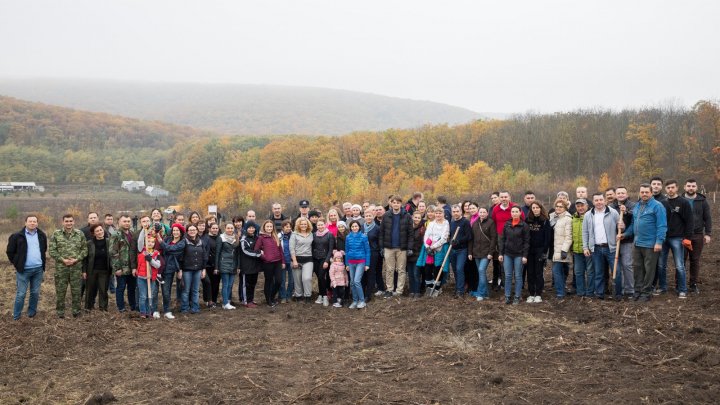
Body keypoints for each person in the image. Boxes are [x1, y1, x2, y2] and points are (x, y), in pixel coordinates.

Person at [619, 184, 667, 302]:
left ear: (651, 193)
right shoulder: (637, 206)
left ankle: (646, 292)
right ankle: (638, 291)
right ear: (639, 193)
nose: (644, 194)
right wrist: (625, 234)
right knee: (638, 268)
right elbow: (633, 225)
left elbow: (662, 225)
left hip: (650, 244)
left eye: (646, 192)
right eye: (642, 192)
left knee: (649, 269)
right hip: (637, 243)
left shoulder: (657, 206)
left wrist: (659, 242)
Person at [654, 180, 693, 298]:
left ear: (677, 188)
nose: (670, 189)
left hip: (678, 237)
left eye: (672, 187)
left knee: (679, 265)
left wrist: (687, 238)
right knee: (661, 264)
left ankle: (682, 289)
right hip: (664, 238)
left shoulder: (684, 202)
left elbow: (689, 221)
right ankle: (662, 287)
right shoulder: (662, 203)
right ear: (665, 189)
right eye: (668, 188)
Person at [7, 215, 47, 320]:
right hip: (23, 270)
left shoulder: (42, 235)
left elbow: (44, 249)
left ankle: (31, 312)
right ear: (25, 223)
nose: (32, 223)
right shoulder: (16, 236)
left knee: (35, 292)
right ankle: (16, 315)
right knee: (21, 294)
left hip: (38, 269)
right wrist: (17, 263)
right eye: (30, 221)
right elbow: (10, 252)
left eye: (34, 221)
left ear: (37, 223)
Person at [582, 193, 621, 300]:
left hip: (611, 247)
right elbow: (585, 232)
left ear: (604, 201)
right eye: (596, 200)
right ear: (593, 202)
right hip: (596, 248)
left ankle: (617, 294)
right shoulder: (588, 215)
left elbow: (620, 226)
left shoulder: (613, 213)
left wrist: (622, 227)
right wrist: (585, 247)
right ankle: (599, 293)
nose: (599, 202)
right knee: (599, 272)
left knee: (616, 271)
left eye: (600, 200)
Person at [49, 214, 88, 318]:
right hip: (61, 269)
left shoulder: (80, 234)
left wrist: (77, 259)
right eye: (66, 221)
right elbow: (52, 251)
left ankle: (76, 311)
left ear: (74, 222)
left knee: (76, 291)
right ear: (63, 222)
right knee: (61, 291)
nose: (69, 223)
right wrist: (63, 260)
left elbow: (85, 250)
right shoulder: (56, 234)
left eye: (71, 221)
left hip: (76, 268)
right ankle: (60, 312)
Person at [379, 195, 414, 298]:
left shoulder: (406, 216)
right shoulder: (386, 215)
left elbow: (410, 234)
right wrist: (382, 247)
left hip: (401, 248)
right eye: (394, 202)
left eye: (398, 203)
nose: (396, 204)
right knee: (389, 270)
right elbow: (381, 233)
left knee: (401, 270)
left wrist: (409, 247)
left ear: (401, 204)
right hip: (388, 247)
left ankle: (399, 290)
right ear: (391, 203)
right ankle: (389, 289)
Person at [683, 179, 712, 294]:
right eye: (689, 186)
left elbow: (708, 218)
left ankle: (693, 284)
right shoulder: (680, 200)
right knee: (681, 260)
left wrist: (708, 234)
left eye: (693, 186)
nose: (691, 188)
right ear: (684, 187)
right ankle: (680, 283)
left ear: (696, 187)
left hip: (697, 235)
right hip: (683, 235)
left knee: (695, 260)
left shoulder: (702, 201)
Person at [491, 191, 523, 290]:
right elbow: (494, 222)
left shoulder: (515, 208)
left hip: (516, 237)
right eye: (502, 197)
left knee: (517, 264)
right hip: (501, 237)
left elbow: (523, 221)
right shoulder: (496, 209)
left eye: (506, 197)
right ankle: (505, 286)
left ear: (509, 197)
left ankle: (518, 287)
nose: (504, 199)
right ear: (499, 198)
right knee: (503, 263)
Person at [498, 206, 529, 305]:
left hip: (519, 254)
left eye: (516, 212)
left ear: (520, 213)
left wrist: (525, 255)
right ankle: (507, 296)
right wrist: (500, 253)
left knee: (518, 276)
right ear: (510, 213)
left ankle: (517, 296)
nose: (514, 213)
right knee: (507, 275)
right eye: (513, 211)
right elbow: (502, 240)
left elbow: (527, 242)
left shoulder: (524, 225)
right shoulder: (507, 224)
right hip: (507, 254)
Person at [110, 215, 138, 313]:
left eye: (128, 221)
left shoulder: (132, 233)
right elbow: (113, 253)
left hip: (132, 267)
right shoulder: (116, 235)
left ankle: (133, 306)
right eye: (124, 221)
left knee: (132, 288)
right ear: (119, 222)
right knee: (121, 287)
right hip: (122, 267)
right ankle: (121, 307)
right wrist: (117, 268)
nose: (127, 223)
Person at [419, 206, 450, 295]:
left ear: (443, 214)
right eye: (436, 213)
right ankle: (429, 287)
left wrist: (433, 247)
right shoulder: (431, 223)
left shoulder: (446, 223)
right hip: (428, 248)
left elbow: (444, 238)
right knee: (428, 268)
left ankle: (437, 287)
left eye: (440, 213)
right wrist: (427, 246)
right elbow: (426, 235)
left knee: (437, 268)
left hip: (440, 248)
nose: (438, 215)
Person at [611, 186, 636, 298]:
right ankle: (618, 290)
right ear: (615, 195)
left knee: (627, 265)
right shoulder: (611, 207)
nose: (620, 195)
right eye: (618, 193)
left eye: (623, 193)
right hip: (614, 240)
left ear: (626, 194)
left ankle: (630, 290)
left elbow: (634, 220)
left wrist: (626, 213)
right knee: (617, 266)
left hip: (627, 240)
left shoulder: (632, 205)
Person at [468, 205, 496, 301]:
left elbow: (493, 239)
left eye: (484, 212)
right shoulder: (475, 223)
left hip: (486, 252)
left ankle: (480, 293)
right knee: (481, 272)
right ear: (478, 213)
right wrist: (470, 252)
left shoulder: (491, 223)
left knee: (481, 270)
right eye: (481, 212)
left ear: (487, 213)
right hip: (476, 252)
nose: (482, 214)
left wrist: (491, 252)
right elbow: (471, 239)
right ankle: (486, 293)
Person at [254, 220, 284, 307]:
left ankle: (272, 296)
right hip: (268, 263)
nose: (269, 228)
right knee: (269, 281)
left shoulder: (275, 236)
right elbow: (256, 250)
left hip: (278, 262)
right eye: (267, 226)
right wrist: (265, 257)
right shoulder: (261, 238)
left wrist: (283, 261)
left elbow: (280, 250)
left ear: (273, 227)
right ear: (264, 227)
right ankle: (269, 300)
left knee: (279, 281)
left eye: (271, 226)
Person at [180, 224, 209, 314]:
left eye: (194, 230)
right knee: (186, 290)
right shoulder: (184, 242)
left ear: (197, 231)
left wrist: (203, 269)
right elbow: (180, 257)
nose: (192, 231)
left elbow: (204, 256)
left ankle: (195, 308)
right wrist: (180, 270)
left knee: (196, 290)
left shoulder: (201, 242)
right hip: (187, 270)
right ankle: (185, 308)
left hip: (198, 269)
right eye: (190, 230)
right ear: (187, 231)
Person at [525, 202, 551, 303]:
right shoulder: (528, 220)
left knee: (538, 272)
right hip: (529, 250)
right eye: (533, 208)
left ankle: (538, 294)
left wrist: (544, 252)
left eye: (537, 207)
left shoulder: (545, 221)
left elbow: (547, 238)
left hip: (540, 250)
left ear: (540, 208)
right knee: (530, 272)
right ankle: (531, 293)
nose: (535, 209)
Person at [83, 224, 112, 311]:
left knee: (103, 290)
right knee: (90, 290)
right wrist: (84, 271)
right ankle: (88, 307)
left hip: (105, 270)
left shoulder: (109, 242)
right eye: (97, 231)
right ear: (93, 233)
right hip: (92, 270)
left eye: (101, 230)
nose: (100, 232)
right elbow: (85, 259)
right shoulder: (89, 243)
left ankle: (103, 308)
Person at [159, 223, 185, 319]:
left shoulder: (182, 243)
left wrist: (161, 242)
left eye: (177, 230)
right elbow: (163, 249)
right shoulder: (168, 239)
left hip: (172, 268)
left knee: (168, 290)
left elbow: (171, 248)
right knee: (165, 290)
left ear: (181, 232)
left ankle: (167, 310)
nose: (175, 232)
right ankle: (165, 308)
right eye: (174, 230)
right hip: (162, 267)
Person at [549, 199, 572, 302]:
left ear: (565, 208)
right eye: (557, 206)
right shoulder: (552, 217)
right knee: (561, 271)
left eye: (561, 207)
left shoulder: (567, 219)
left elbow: (569, 236)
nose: (558, 208)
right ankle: (561, 289)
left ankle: (560, 293)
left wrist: (564, 250)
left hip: (561, 249)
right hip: (553, 248)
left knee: (557, 271)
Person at [136, 231, 163, 319]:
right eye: (148, 241)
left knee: (149, 295)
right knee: (143, 296)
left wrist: (150, 260)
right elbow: (140, 240)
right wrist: (144, 230)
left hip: (151, 278)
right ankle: (143, 312)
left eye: (152, 242)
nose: (150, 243)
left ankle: (149, 312)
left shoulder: (156, 253)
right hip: (142, 277)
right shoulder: (142, 250)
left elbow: (158, 265)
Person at [345, 220, 370, 308]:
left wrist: (367, 264)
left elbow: (367, 251)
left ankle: (362, 301)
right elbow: (347, 251)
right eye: (353, 227)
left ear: (359, 227)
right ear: (350, 228)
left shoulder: (363, 237)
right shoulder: (348, 237)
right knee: (352, 282)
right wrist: (347, 264)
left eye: (356, 226)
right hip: (351, 262)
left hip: (361, 262)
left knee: (356, 281)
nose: (354, 228)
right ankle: (355, 301)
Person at [448, 204, 472, 298]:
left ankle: (460, 291)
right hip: (452, 250)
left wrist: (458, 241)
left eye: (457, 211)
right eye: (454, 212)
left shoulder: (465, 222)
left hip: (462, 250)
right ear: (451, 212)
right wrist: (450, 240)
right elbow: (450, 235)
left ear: (461, 212)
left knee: (459, 269)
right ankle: (458, 288)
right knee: (455, 270)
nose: (455, 213)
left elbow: (469, 236)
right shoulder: (452, 222)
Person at [571, 199, 594, 298]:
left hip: (589, 249)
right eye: (578, 206)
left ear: (587, 206)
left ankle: (590, 292)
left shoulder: (592, 216)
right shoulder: (573, 218)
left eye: (582, 206)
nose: (580, 208)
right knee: (578, 272)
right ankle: (580, 292)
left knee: (590, 271)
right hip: (577, 250)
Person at [216, 223, 240, 309]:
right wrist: (216, 267)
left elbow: (238, 254)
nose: (230, 230)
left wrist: (238, 266)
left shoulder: (236, 238)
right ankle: (225, 303)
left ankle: (228, 301)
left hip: (233, 264)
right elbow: (218, 253)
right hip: (224, 263)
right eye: (228, 228)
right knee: (225, 284)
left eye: (231, 228)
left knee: (230, 285)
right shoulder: (221, 238)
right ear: (225, 229)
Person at [311, 218, 335, 306]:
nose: (320, 226)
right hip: (315, 259)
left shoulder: (329, 235)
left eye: (322, 225)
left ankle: (325, 296)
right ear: (316, 226)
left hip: (324, 259)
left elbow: (330, 249)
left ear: (325, 225)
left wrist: (327, 261)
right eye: (318, 225)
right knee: (319, 278)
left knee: (321, 276)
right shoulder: (313, 235)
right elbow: (312, 247)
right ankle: (320, 295)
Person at [290, 218, 314, 303]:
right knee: (297, 279)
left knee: (306, 278)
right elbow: (291, 248)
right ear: (298, 225)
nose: (303, 225)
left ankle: (308, 296)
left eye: (305, 224)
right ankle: (298, 296)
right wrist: (294, 261)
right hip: (296, 259)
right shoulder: (294, 234)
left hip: (308, 259)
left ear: (308, 225)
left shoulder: (311, 234)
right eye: (301, 224)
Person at [239, 221, 261, 308]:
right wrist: (257, 254)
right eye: (249, 228)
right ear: (246, 228)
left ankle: (251, 299)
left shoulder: (256, 238)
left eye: (253, 228)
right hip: (246, 266)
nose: (251, 229)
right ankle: (246, 301)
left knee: (253, 283)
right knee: (246, 284)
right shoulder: (244, 239)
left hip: (255, 266)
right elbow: (245, 251)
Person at [363, 208, 383, 300]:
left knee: (371, 272)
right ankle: (362, 292)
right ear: (364, 217)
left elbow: (380, 242)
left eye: (370, 215)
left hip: (373, 253)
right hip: (362, 253)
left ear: (373, 216)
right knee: (363, 273)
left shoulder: (377, 228)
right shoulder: (361, 227)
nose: (368, 217)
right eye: (366, 216)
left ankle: (368, 294)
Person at [201, 222, 220, 308]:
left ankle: (214, 300)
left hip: (217, 264)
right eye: (213, 228)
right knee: (208, 283)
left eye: (216, 228)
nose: (215, 230)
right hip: (208, 264)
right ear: (209, 229)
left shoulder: (220, 238)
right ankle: (208, 300)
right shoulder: (206, 238)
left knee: (216, 283)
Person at [407, 211, 426, 298]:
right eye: (415, 217)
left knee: (416, 273)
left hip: (417, 254)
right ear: (412, 217)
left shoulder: (422, 228)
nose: (417, 219)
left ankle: (417, 291)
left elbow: (423, 243)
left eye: (418, 218)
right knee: (410, 274)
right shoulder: (409, 227)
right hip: (409, 255)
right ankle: (411, 290)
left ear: (421, 218)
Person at [278, 220, 294, 303]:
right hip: (282, 261)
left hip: (291, 261)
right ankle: (283, 296)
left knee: (292, 280)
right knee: (282, 280)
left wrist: (293, 260)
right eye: (287, 226)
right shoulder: (279, 236)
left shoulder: (294, 235)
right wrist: (281, 261)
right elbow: (278, 249)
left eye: (290, 226)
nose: (289, 228)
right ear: (283, 227)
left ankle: (289, 295)